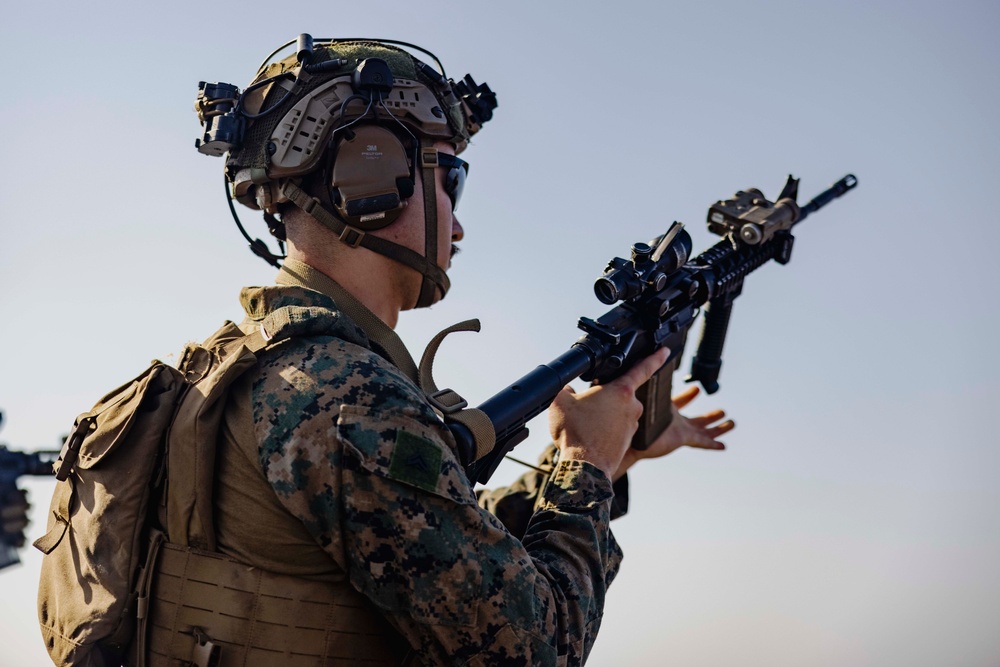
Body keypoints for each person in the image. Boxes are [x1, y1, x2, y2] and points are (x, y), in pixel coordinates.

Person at [146, 36, 733, 666]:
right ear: (371, 179)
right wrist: (587, 466)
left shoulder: (270, 369)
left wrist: (598, 458)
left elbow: (430, 551)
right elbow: (534, 653)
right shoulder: (343, 396)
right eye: (450, 178)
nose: (456, 223)